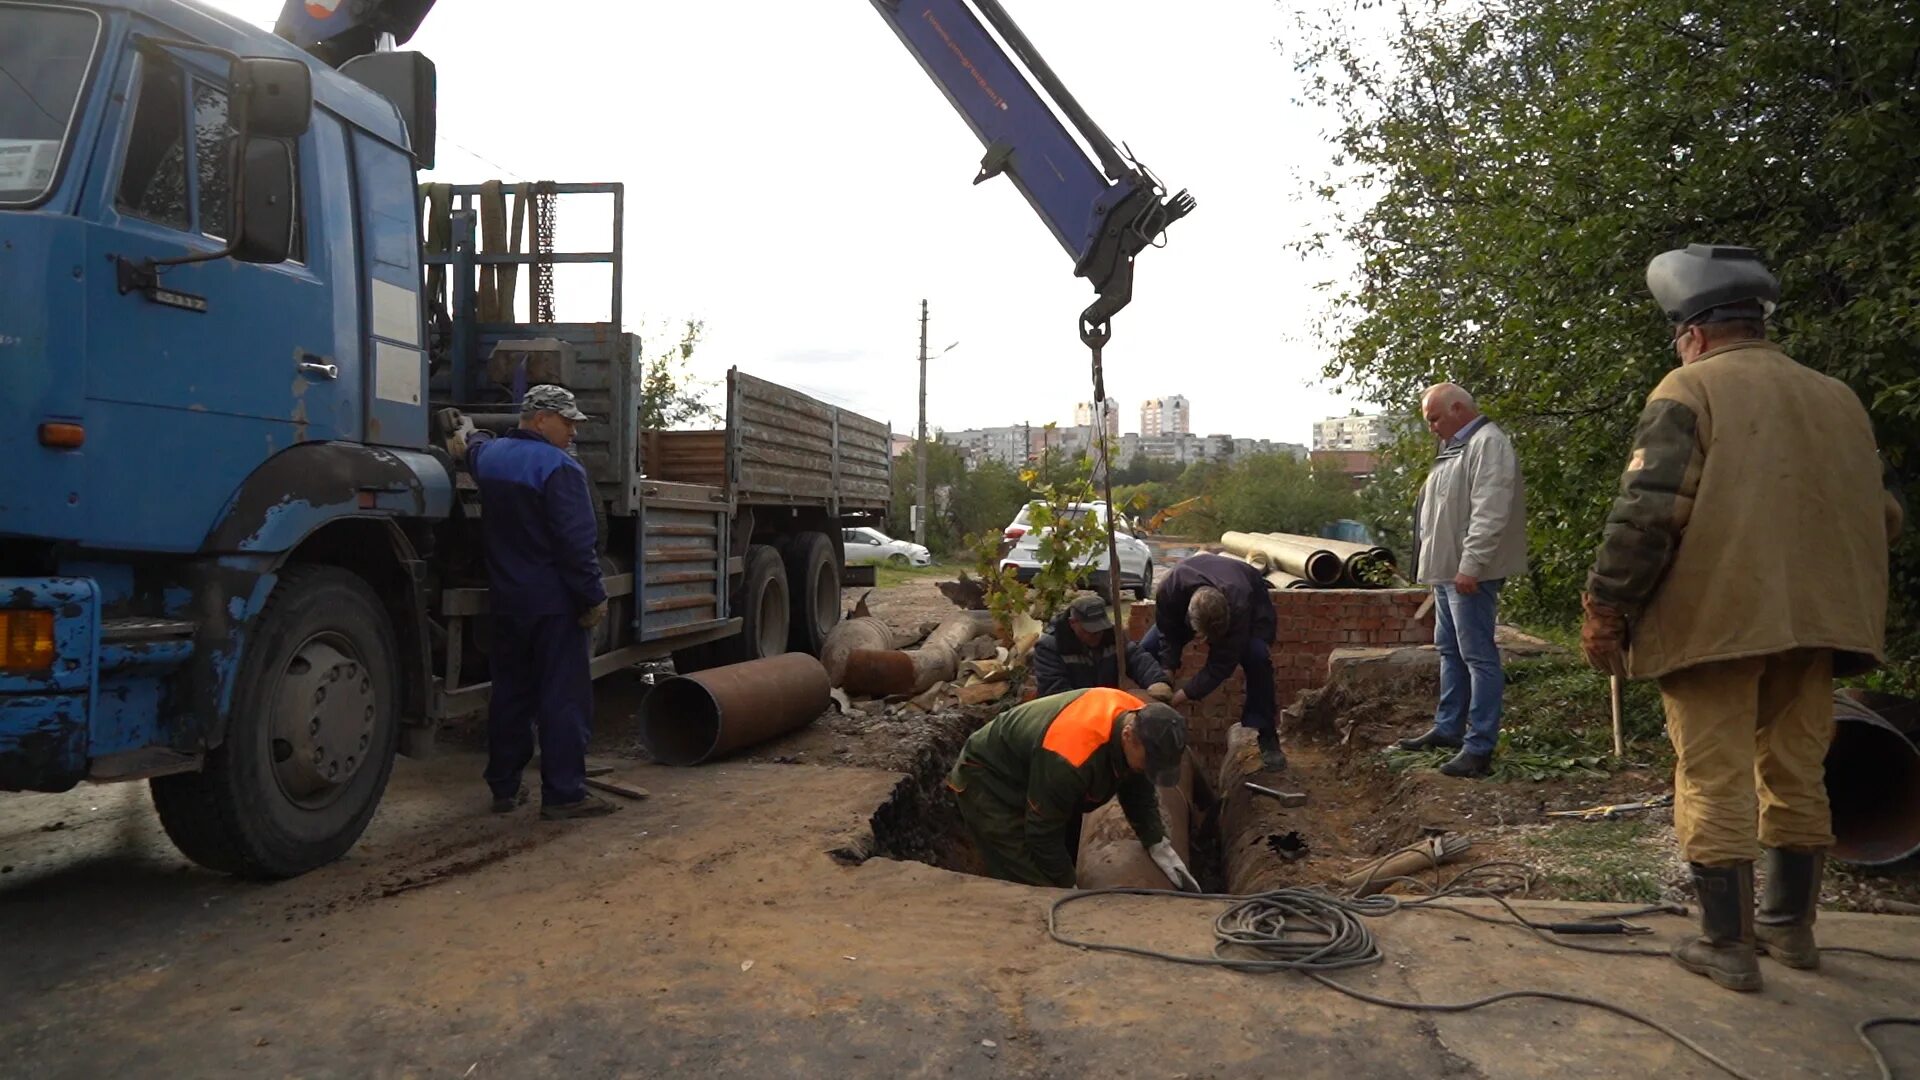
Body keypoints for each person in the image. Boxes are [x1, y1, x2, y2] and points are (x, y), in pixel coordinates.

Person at [1581, 244, 1903, 993]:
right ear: (1759, 320)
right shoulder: (1838, 397)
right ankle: (1792, 931)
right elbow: (1883, 517)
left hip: (1715, 625)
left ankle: (1726, 946)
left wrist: (1606, 607)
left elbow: (1647, 514)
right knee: (1797, 771)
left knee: (1712, 775)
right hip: (1819, 623)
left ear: (1691, 331)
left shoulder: (1690, 388)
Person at [463, 385, 614, 821]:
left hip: (508, 602)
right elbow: (576, 544)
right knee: (563, 698)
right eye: (567, 422)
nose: (572, 432)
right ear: (541, 419)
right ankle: (565, 794)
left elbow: (473, 447)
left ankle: (504, 787)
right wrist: (592, 596)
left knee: (511, 695)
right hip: (554, 605)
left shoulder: (491, 458)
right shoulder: (560, 468)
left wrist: (469, 435)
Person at [1395, 383, 1527, 779]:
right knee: (1450, 651)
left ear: (1457, 408)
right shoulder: (1454, 448)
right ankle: (1449, 728)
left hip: (1468, 574)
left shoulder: (1488, 443)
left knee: (1477, 657)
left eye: (1434, 418)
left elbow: (1490, 510)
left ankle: (1479, 745)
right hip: (1446, 572)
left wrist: (1471, 565)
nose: (1431, 426)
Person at [946, 687, 1198, 891]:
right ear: (1128, 736)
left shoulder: (1140, 720)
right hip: (989, 779)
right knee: (1032, 881)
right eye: (1149, 763)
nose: (1148, 769)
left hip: (1034, 768)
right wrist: (1068, 886)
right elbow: (1042, 835)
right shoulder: (1070, 758)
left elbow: (1137, 789)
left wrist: (1156, 842)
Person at [1142, 552, 1284, 770]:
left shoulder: (1239, 606)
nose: (1205, 642)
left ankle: (1267, 735)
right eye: (1202, 635)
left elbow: (1220, 665)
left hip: (1251, 595)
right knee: (1146, 650)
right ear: (1190, 621)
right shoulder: (1170, 590)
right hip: (1192, 596)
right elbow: (1167, 633)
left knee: (1257, 657)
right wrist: (1166, 673)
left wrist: (1180, 697)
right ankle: (1139, 722)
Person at [1031, 594, 1174, 701]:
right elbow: (1057, 694)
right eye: (1090, 631)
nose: (1097, 635)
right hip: (1068, 716)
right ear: (1073, 623)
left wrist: (1157, 680)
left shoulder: (1112, 637)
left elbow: (1137, 657)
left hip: (1105, 708)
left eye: (1100, 629)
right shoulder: (1050, 646)